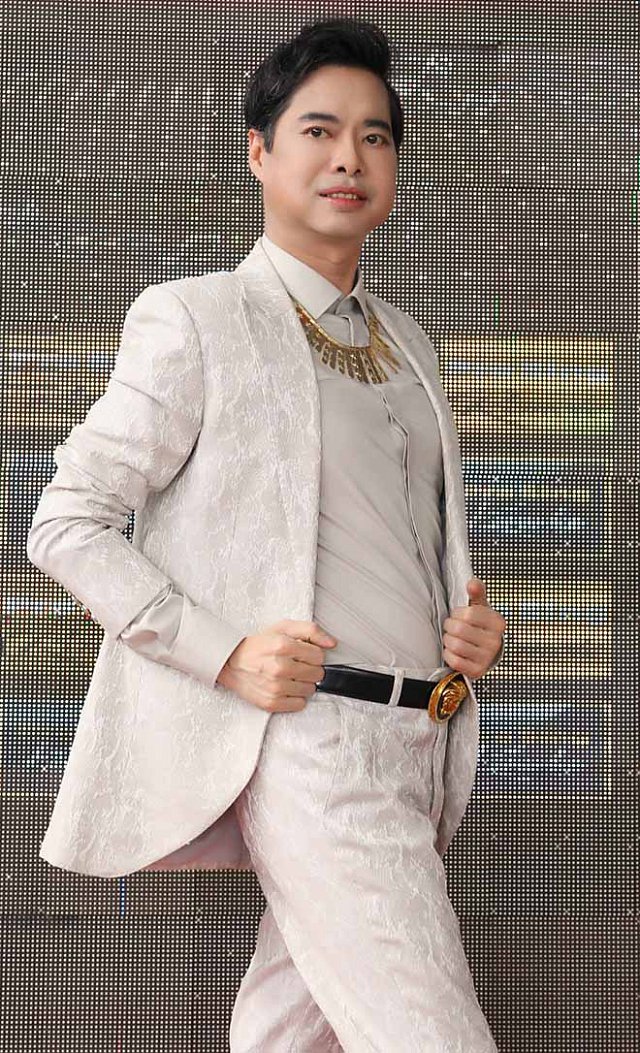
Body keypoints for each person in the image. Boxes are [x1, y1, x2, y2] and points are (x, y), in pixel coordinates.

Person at [26, 17, 505, 1052]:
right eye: (320, 130)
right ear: (260, 151)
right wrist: (225, 651)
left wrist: (464, 632)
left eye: (375, 136)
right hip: (311, 746)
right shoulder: (197, 318)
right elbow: (66, 522)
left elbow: (395, 547)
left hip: (418, 744)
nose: (349, 158)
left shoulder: (410, 342)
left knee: (288, 1038)